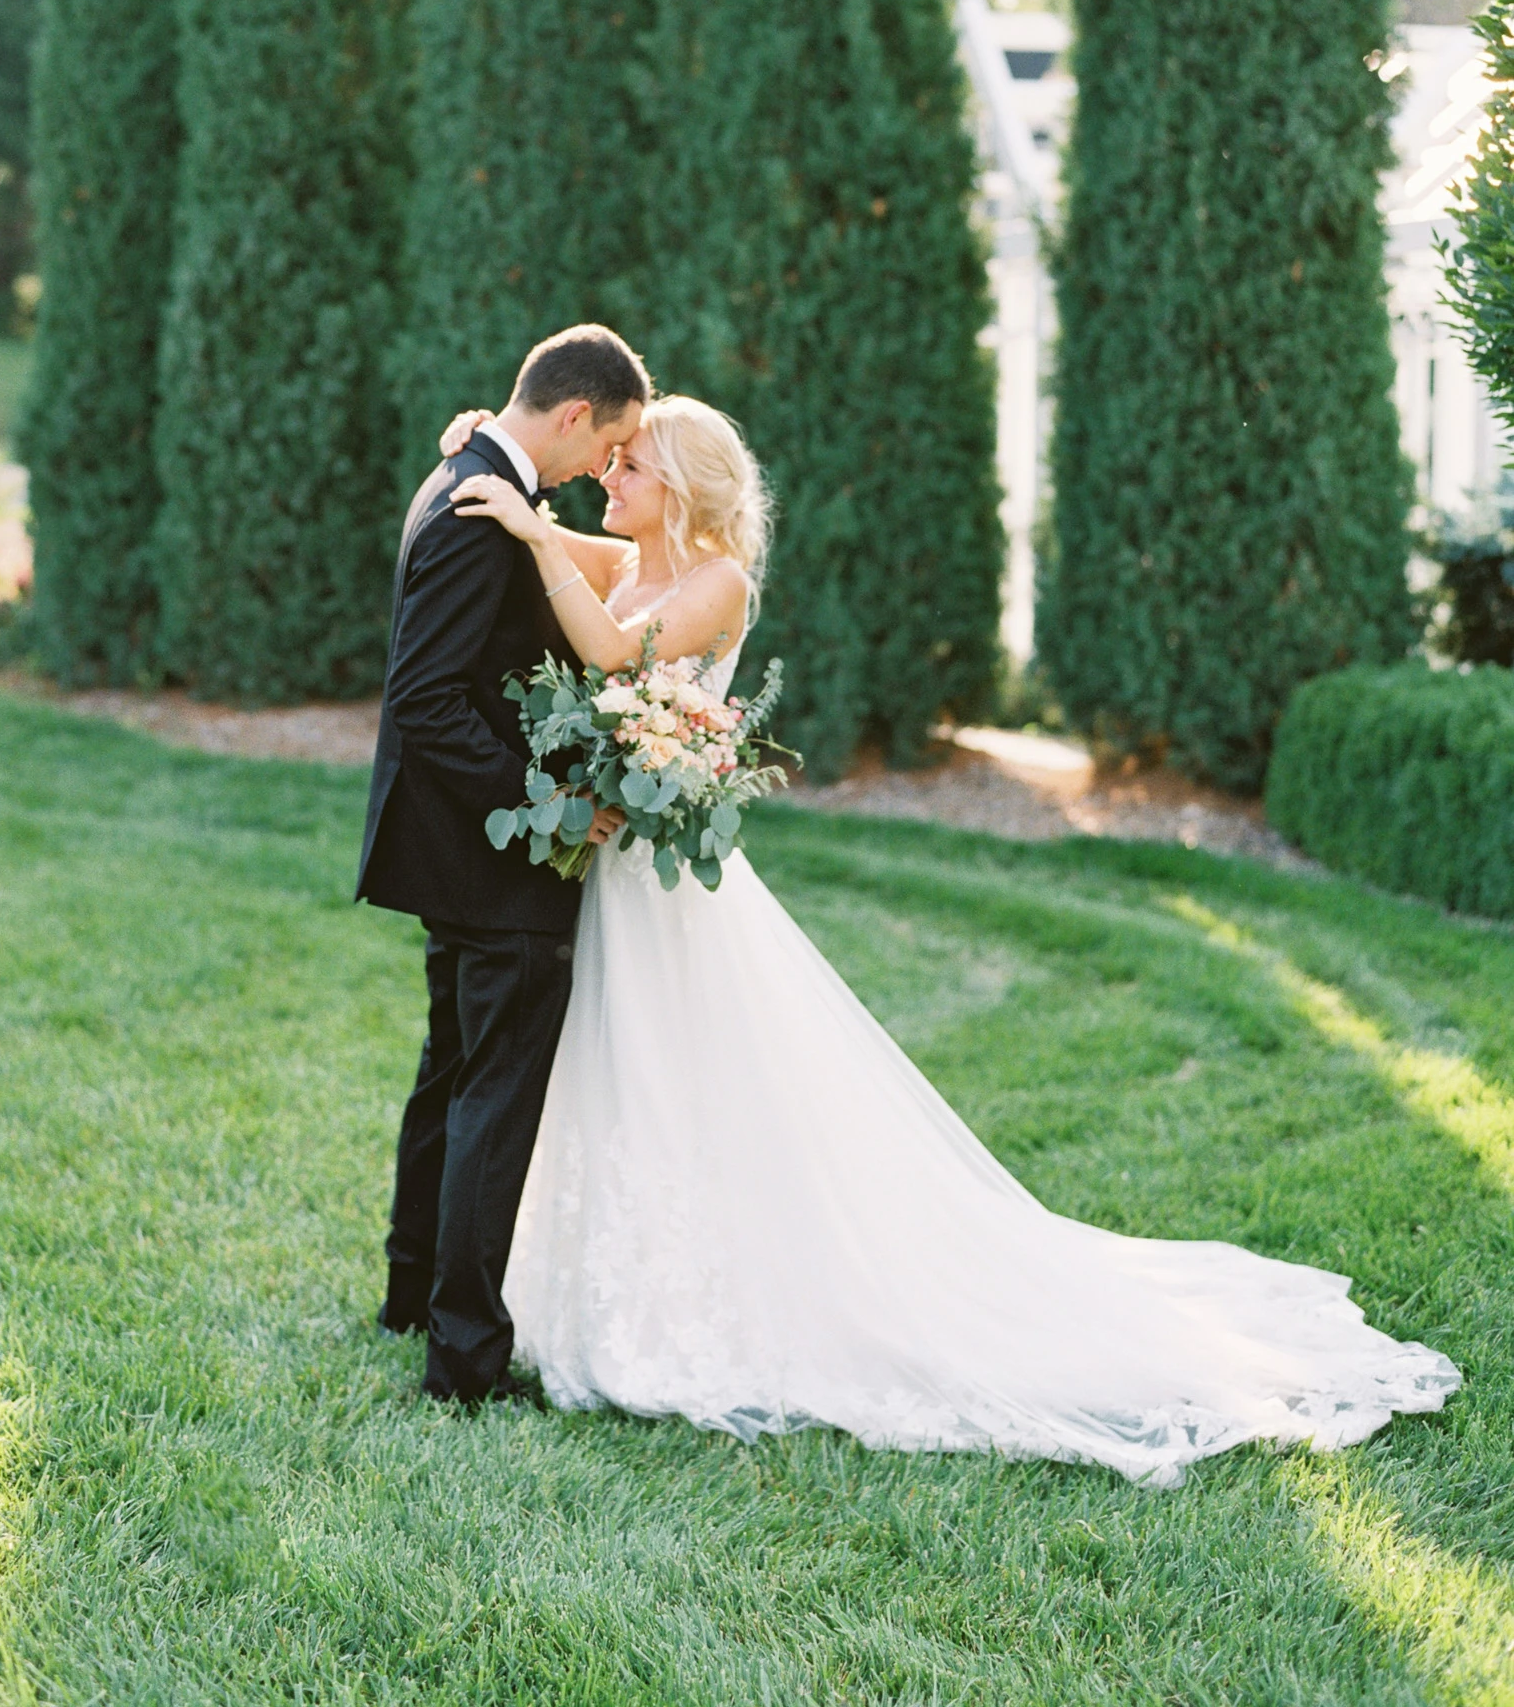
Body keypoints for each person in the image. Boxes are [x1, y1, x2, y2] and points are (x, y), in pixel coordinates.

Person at [440, 393, 1460, 1485]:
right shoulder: (631, 552)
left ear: (682, 486)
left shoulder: (715, 582)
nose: (608, 474)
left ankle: (738, 1296)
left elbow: (601, 641)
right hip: (620, 882)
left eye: (630, 463)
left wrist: (535, 526)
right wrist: (496, 459)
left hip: (669, 898)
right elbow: (563, 539)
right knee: (634, 1081)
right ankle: (629, 1286)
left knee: (690, 1076)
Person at [356, 324, 649, 1405]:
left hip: (445, 848)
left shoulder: (468, 472)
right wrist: (554, 805)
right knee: (492, 1095)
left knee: (450, 1073)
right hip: (496, 853)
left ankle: (412, 1294)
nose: (595, 470)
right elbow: (426, 700)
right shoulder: (483, 510)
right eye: (603, 444)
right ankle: (465, 1354)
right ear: (572, 413)